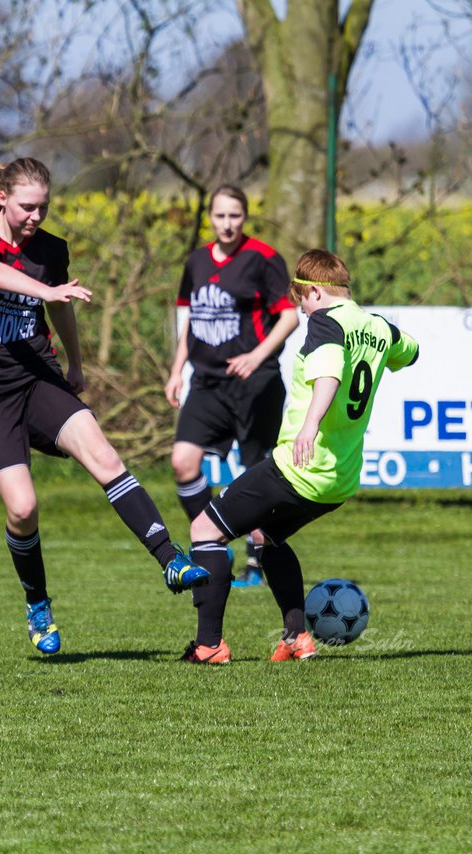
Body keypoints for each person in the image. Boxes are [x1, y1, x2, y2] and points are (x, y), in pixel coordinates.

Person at [0, 157, 209, 656]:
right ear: (2, 200)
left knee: (104, 455)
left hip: (35, 377)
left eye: (44, 207)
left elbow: (59, 305)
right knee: (23, 507)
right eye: (28, 207)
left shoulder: (51, 250)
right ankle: (37, 604)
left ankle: (170, 558)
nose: (36, 216)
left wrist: (75, 363)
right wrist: (45, 289)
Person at [179, 249, 420, 664]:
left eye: (301, 300)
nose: (301, 309)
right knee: (265, 537)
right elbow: (410, 352)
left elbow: (329, 374)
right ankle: (297, 638)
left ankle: (208, 646)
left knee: (205, 530)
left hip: (297, 466)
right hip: (338, 479)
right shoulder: (378, 326)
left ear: (313, 291)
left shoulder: (326, 322)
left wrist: (309, 426)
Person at [165, 186, 298, 587]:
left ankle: (257, 564)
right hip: (206, 383)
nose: (227, 224)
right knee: (183, 462)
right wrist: (176, 370)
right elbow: (190, 317)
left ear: (245, 217)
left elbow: (289, 317)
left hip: (254, 384)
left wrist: (257, 357)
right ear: (210, 217)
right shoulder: (197, 262)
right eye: (220, 216)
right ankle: (213, 539)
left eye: (235, 216)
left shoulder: (264, 259)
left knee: (255, 474)